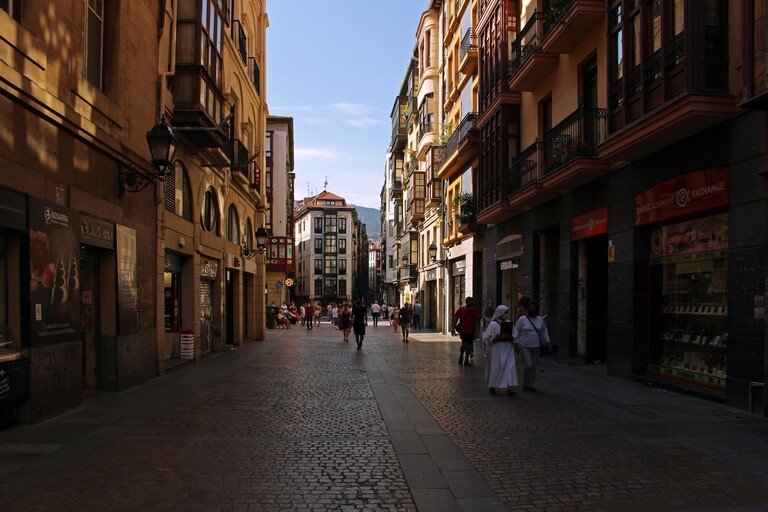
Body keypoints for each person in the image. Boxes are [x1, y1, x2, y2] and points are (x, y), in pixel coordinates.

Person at [514, 302, 552, 392]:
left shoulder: (539, 319)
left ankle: (531, 385)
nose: (532, 310)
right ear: (527, 310)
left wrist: (548, 342)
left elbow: (544, 331)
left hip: (536, 346)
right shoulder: (522, 319)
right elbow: (516, 332)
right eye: (530, 308)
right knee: (528, 364)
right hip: (524, 346)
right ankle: (525, 383)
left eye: (533, 308)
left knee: (534, 366)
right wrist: (516, 343)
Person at [483, 305, 518, 396]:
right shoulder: (493, 324)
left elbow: (515, 334)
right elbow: (487, 337)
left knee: (510, 367)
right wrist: (497, 337)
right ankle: (493, 386)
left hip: (507, 348)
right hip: (496, 349)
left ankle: (509, 388)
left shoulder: (509, 323)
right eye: (505, 312)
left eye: (507, 312)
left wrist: (510, 337)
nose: (506, 314)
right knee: (496, 367)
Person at [454, 296, 480, 366]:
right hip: (463, 330)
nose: (471, 303)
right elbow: (456, 318)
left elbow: (478, 318)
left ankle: (466, 359)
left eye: (472, 301)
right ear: (466, 302)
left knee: (469, 345)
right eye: (469, 301)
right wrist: (452, 328)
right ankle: (461, 356)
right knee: (464, 344)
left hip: (471, 330)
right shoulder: (461, 310)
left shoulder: (474, 310)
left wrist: (473, 312)